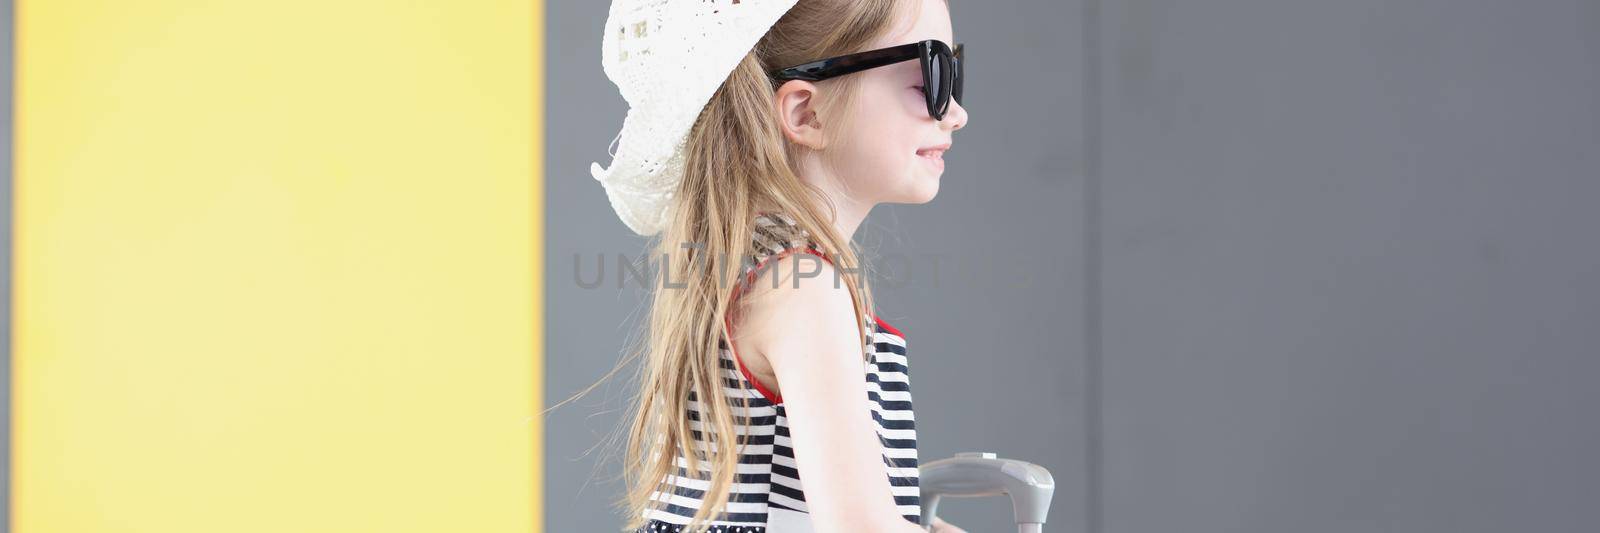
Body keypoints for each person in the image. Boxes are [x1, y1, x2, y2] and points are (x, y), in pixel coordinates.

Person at [585, 0, 969, 531]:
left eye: (956, 71)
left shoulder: (747, 270)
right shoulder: (805, 291)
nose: (954, 112)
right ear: (804, 114)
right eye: (931, 74)